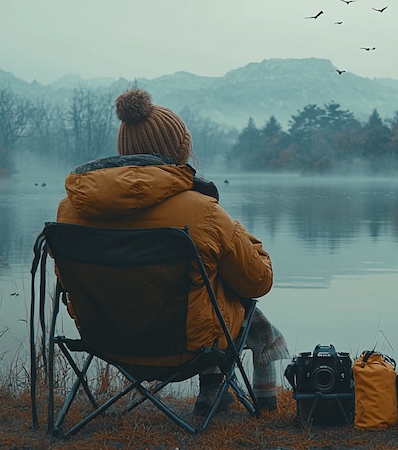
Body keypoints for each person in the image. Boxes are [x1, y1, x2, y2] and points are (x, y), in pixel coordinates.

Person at [55, 87, 288, 414]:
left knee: (204, 285)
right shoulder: (202, 211)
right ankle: (244, 397)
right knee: (227, 295)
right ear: (180, 150)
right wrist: (243, 238)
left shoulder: (69, 211)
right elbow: (257, 282)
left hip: (106, 343)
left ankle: (216, 391)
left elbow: (67, 286)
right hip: (188, 349)